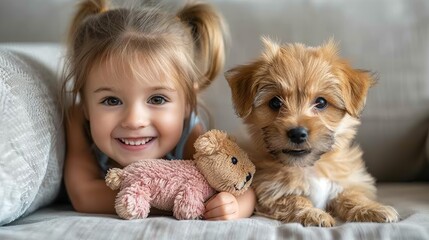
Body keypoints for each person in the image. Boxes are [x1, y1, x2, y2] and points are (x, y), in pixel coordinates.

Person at [60, 0, 256, 220]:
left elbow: (242, 186)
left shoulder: (190, 133)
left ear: (187, 104)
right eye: (111, 101)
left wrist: (234, 206)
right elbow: (84, 195)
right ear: (85, 105)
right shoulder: (76, 120)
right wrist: (165, 199)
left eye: (157, 98)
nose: (134, 121)